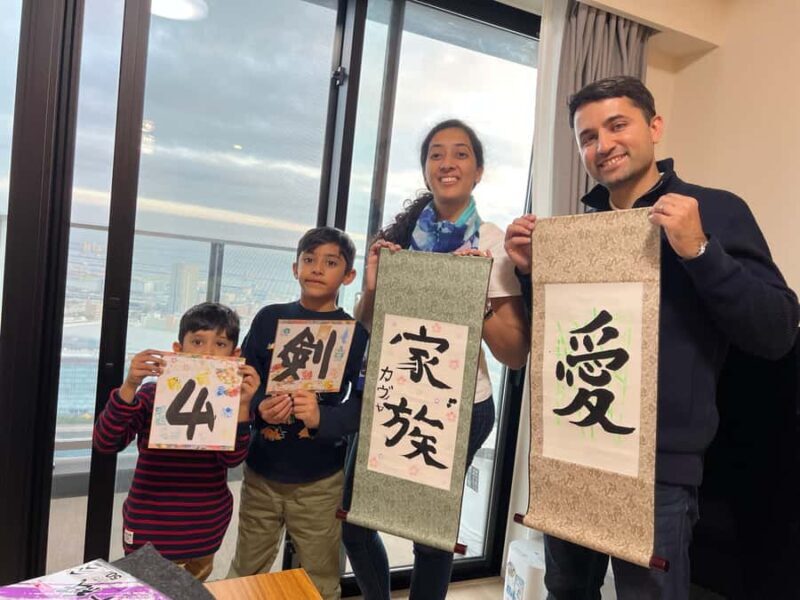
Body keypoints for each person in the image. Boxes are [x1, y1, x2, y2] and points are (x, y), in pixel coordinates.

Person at [504, 75, 799, 600]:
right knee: (566, 590)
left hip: (660, 469)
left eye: (617, 125)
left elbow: (777, 330)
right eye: (588, 136)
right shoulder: (581, 228)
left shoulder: (712, 210)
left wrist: (700, 250)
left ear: (655, 126)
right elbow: (556, 342)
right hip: (575, 451)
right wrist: (529, 274)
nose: (604, 144)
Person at [343, 119, 530, 600]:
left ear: (478, 171)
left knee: (430, 536)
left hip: (462, 405)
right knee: (356, 523)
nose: (448, 163)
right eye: (436, 154)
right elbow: (368, 325)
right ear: (426, 169)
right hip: (395, 394)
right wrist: (372, 289)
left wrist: (474, 297)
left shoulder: (491, 242)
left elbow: (513, 353)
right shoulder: (400, 236)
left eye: (461, 153)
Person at [227, 226, 369, 600]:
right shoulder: (269, 318)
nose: (317, 268)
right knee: (246, 568)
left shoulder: (356, 334)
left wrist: (322, 418)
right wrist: (259, 405)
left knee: (319, 578)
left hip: (320, 478)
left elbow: (364, 404)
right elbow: (244, 378)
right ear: (295, 268)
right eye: (309, 259)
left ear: (349, 275)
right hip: (263, 469)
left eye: (331, 262)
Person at [92, 302, 260, 581]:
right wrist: (130, 385)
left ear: (235, 355)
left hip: (205, 526)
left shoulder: (231, 403)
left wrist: (243, 406)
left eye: (220, 344)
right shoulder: (151, 394)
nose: (207, 352)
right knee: (146, 590)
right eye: (197, 342)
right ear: (178, 349)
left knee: (192, 589)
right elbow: (106, 441)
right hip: (149, 523)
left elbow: (232, 459)